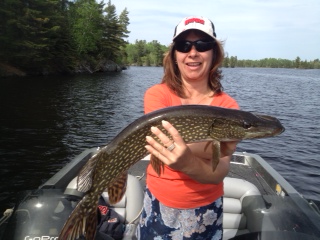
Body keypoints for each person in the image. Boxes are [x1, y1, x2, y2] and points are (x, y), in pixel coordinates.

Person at [136, 16, 239, 240]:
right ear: (175, 55)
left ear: (214, 53)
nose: (193, 52)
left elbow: (218, 173)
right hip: (158, 202)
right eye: (184, 46)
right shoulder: (158, 95)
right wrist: (216, 147)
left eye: (202, 45)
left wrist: (189, 161)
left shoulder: (227, 106)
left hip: (206, 208)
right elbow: (162, 142)